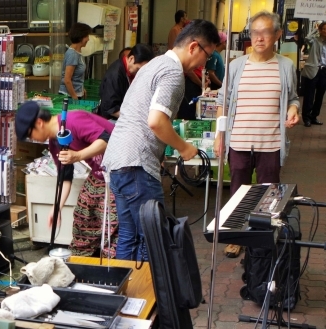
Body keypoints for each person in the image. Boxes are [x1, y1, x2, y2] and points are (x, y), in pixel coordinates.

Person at [101, 19, 220, 261]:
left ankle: (128, 295)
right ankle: (148, 296)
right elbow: (156, 121)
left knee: (129, 235)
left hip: (118, 159)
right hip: (136, 163)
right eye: (207, 56)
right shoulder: (173, 72)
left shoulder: (154, 64)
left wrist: (161, 155)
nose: (204, 64)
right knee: (152, 238)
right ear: (194, 47)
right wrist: (184, 147)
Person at [213, 11, 299, 258]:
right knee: (238, 190)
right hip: (239, 140)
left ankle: (260, 238)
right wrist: (220, 136)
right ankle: (236, 237)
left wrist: (293, 110)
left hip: (270, 143)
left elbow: (292, 98)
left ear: (277, 35)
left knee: (268, 193)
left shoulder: (286, 66)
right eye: (254, 32)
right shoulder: (236, 66)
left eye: (265, 32)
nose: (259, 38)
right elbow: (223, 101)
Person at [15, 101, 118, 257]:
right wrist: (57, 207)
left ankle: (114, 259)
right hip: (100, 172)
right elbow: (65, 177)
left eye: (31, 135)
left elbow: (106, 139)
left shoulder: (73, 120)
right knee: (83, 212)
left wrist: (77, 156)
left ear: (39, 123)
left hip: (122, 169)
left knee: (111, 219)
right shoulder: (54, 142)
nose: (33, 139)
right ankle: (81, 257)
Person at [98, 44, 155, 120]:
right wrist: (134, 118)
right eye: (138, 69)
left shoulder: (129, 72)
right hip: (110, 120)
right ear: (131, 59)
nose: (139, 73)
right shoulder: (115, 74)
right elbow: (110, 108)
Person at [301, 21, 326, 127]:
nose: (325, 31)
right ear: (320, 30)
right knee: (309, 95)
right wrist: (316, 28)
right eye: (324, 29)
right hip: (313, 71)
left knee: (320, 96)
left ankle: (314, 116)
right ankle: (306, 118)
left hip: (324, 71)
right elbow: (307, 37)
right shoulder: (314, 41)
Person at [59, 23, 92, 100]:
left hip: (76, 93)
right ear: (81, 37)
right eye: (87, 36)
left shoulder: (78, 53)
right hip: (69, 96)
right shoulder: (72, 54)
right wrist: (74, 97)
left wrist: (81, 89)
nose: (88, 39)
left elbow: (76, 77)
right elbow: (67, 80)